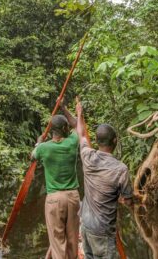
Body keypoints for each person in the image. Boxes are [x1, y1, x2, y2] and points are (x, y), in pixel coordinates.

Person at [67, 99, 134, 259]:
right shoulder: (120, 169)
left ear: (97, 141)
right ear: (115, 141)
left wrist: (79, 113)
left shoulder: (87, 156)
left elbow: (81, 133)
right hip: (103, 230)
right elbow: (128, 201)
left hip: (86, 225)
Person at [31, 107, 81, 259]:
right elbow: (77, 125)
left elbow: (32, 157)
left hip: (54, 199)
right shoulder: (72, 142)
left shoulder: (44, 148)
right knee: (73, 239)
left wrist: (38, 143)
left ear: (52, 131)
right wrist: (65, 108)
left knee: (57, 241)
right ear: (65, 128)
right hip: (73, 197)